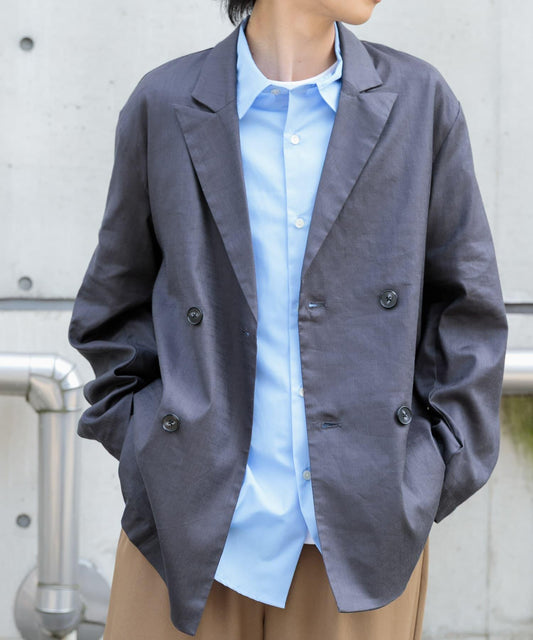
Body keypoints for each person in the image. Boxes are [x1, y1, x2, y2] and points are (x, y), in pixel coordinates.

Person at [68, 0, 508, 638]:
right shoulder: (165, 103)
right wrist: (152, 453)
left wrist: (423, 472)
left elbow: (467, 312)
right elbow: (112, 309)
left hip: (360, 538)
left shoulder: (419, 103)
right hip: (184, 530)